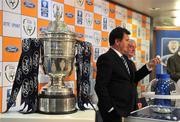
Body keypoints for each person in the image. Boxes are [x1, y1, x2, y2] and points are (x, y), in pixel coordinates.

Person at [95, 27, 160, 122]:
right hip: (114, 112)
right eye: (126, 40)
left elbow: (133, 79)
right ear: (117, 41)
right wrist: (110, 108)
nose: (129, 43)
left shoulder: (127, 61)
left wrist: (148, 66)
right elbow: (100, 87)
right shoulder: (106, 58)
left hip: (129, 110)